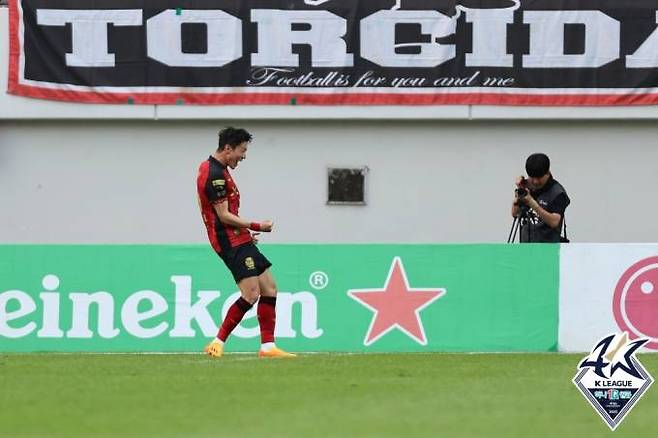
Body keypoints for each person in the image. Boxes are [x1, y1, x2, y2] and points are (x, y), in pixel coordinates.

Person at [196, 127, 295, 358]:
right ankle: (217, 343)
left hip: (237, 237)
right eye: (242, 150)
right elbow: (222, 215)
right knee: (250, 294)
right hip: (229, 241)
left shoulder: (215, 168)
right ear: (228, 148)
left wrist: (243, 232)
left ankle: (268, 347)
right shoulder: (214, 174)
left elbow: (219, 211)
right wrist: (257, 226)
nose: (244, 156)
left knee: (269, 288)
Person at [511, 153, 570, 243]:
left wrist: (533, 204)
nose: (535, 181)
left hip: (548, 249)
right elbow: (515, 214)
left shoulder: (557, 192)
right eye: (532, 177)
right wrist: (519, 193)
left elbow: (554, 222)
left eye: (539, 178)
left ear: (547, 173)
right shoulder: (526, 186)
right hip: (525, 247)